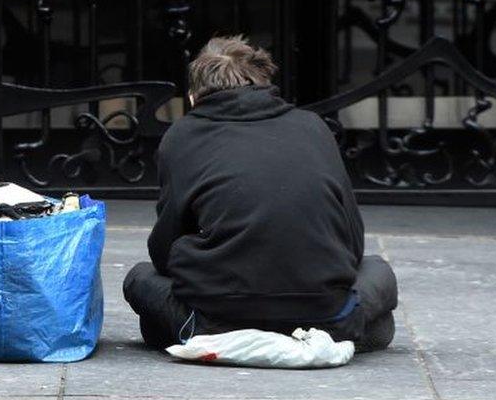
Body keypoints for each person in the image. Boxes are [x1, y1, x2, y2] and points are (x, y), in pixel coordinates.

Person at [123, 35, 398, 352]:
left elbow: (164, 250)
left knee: (139, 278)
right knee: (379, 271)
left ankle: (201, 333)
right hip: (324, 313)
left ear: (194, 97)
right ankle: (342, 330)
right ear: (265, 84)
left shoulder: (181, 136)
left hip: (215, 319)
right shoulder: (313, 127)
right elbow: (353, 241)